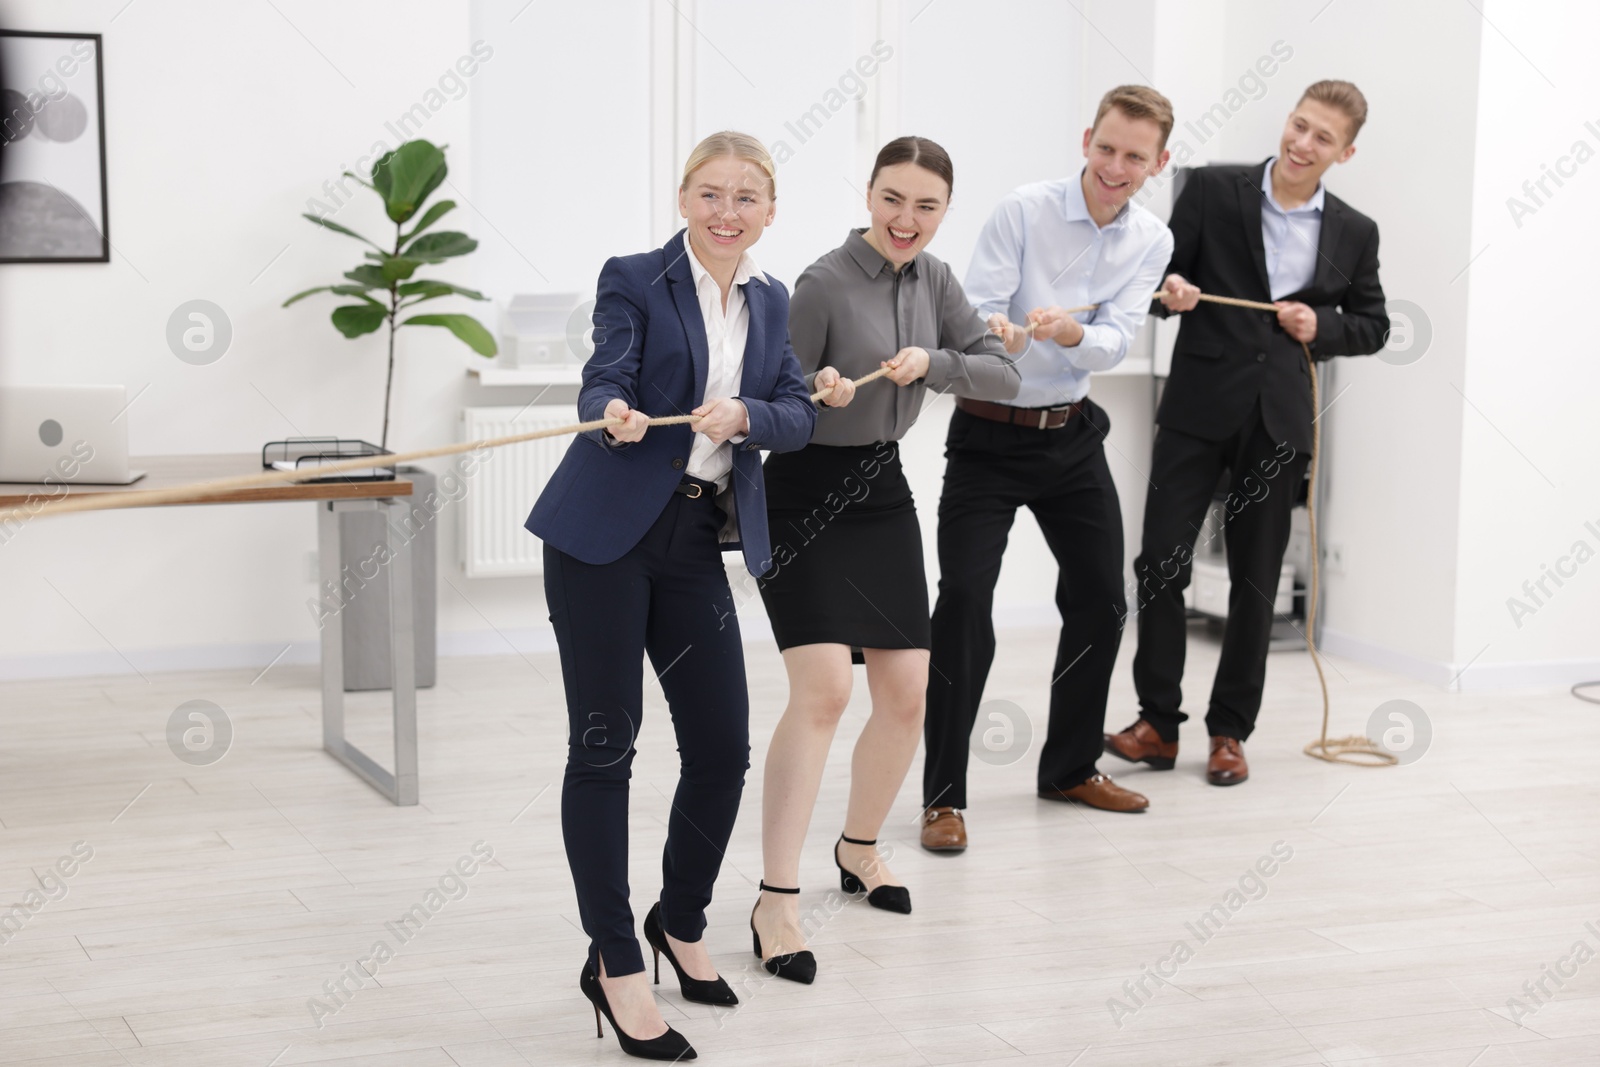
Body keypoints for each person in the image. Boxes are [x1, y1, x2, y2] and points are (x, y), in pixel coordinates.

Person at [524, 131, 815, 1061]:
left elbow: (798, 411)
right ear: (684, 196)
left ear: (769, 210)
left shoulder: (771, 302)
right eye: (710, 193)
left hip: (694, 541)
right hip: (605, 540)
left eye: (746, 197)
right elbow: (608, 365)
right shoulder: (636, 277)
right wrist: (608, 406)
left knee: (721, 747)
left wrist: (750, 417)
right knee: (606, 749)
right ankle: (613, 963)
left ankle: (677, 920)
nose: (727, 211)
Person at [749, 136, 1020, 981]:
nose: (907, 219)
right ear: (869, 194)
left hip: (881, 489)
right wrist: (816, 390)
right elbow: (771, 399)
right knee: (825, 689)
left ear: (944, 211)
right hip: (804, 490)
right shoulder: (824, 283)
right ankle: (776, 900)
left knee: (907, 691)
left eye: (926, 205)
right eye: (893, 199)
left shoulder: (936, 281)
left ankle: (859, 847)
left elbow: (1002, 374)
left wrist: (935, 362)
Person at [1107, 80, 1388, 787]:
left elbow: (1374, 325)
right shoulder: (1210, 189)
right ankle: (1157, 724)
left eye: (1322, 138)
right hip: (1198, 409)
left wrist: (1321, 326)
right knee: (1159, 565)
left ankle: (1230, 731)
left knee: (1257, 585)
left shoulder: (1355, 231)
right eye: (1299, 125)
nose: (1302, 143)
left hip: (1278, 420)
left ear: (1345, 152)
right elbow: (1161, 280)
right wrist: (1170, 292)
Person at [919, 86, 1176, 854]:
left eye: (1136, 156)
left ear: (1157, 164)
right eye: (1107, 148)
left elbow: (1119, 336)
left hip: (1071, 436)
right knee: (964, 601)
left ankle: (1069, 768)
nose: (1116, 166)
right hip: (989, 438)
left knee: (1101, 602)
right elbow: (981, 317)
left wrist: (1070, 335)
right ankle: (943, 796)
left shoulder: (1152, 240)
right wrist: (1023, 339)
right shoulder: (1022, 211)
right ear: (1086, 139)